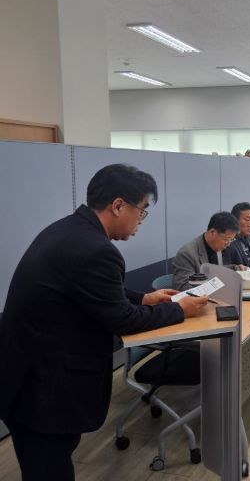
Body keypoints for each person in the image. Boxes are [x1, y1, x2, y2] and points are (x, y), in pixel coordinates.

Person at [0, 164, 208, 481]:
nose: (141, 221)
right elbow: (122, 319)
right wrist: (181, 310)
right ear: (118, 205)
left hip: (27, 374)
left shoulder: (70, 230)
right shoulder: (96, 250)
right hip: (44, 388)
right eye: (142, 211)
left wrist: (143, 298)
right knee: (48, 468)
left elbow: (92, 289)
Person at [172, 211, 242, 290]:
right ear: (212, 232)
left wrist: (235, 268)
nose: (228, 244)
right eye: (226, 239)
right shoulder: (187, 254)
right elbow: (183, 287)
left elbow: (215, 270)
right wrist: (214, 286)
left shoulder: (216, 246)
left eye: (231, 240)